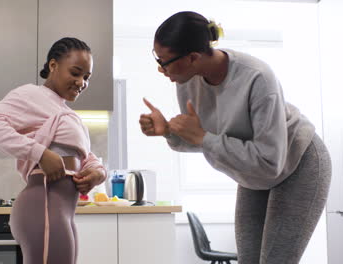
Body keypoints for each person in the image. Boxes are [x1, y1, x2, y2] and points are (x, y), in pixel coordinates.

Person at [139, 11, 331, 264]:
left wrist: (203, 137)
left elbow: (269, 161)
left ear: (193, 57)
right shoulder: (186, 80)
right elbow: (203, 139)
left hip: (298, 161)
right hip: (252, 172)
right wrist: (169, 132)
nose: (160, 68)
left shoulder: (257, 76)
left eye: (164, 61)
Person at [0, 37, 106, 264]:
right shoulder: (30, 94)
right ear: (53, 65)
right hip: (43, 205)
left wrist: (98, 173)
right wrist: (40, 153)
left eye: (86, 77)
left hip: (61, 211)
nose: (81, 82)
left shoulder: (69, 114)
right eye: (75, 73)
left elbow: (85, 155)